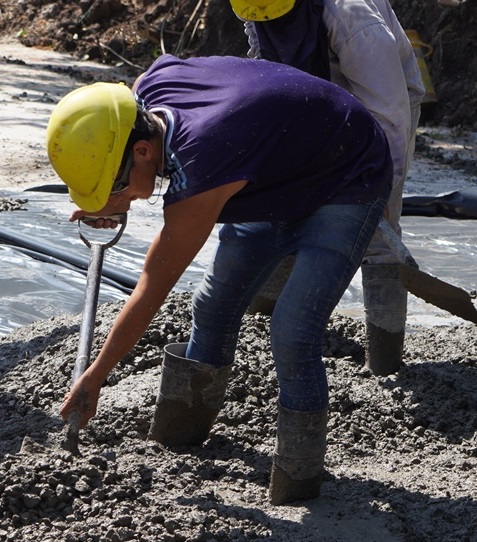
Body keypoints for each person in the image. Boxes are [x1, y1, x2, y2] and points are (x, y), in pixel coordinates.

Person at [47, 54, 392, 505]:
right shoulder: (145, 94)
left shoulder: (204, 165)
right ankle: (181, 435)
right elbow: (151, 84)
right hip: (274, 168)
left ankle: (297, 484)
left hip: (348, 172)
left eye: (116, 188)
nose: (119, 199)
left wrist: (96, 375)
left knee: (293, 330)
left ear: (144, 152)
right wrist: (113, 200)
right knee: (212, 306)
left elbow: (154, 285)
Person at [230, 0, 425, 376]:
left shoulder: (353, 20)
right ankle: (263, 328)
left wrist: (382, 186)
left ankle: (385, 359)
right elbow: (263, 68)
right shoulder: (258, 9)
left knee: (375, 232)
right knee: (284, 206)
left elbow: (390, 117)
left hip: (379, 103)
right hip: (310, 99)